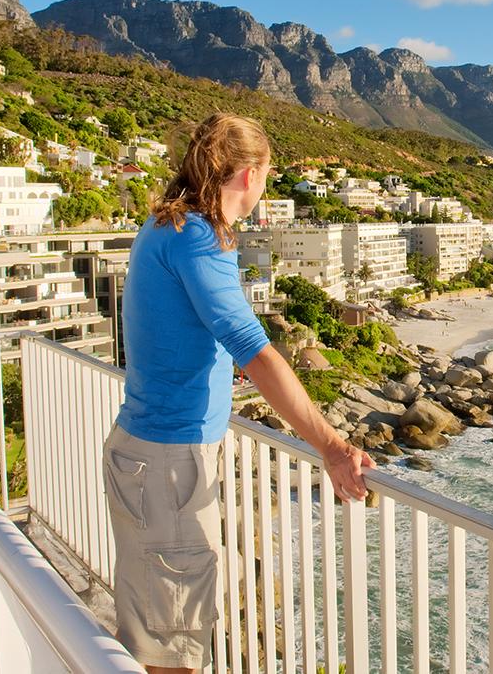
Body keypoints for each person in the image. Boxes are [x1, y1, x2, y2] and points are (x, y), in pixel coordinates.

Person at [103, 112, 372, 673]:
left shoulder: (164, 226)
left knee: (155, 629)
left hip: (147, 454)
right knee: (173, 648)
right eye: (267, 174)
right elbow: (256, 350)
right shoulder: (197, 239)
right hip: (169, 465)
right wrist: (330, 445)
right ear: (249, 174)